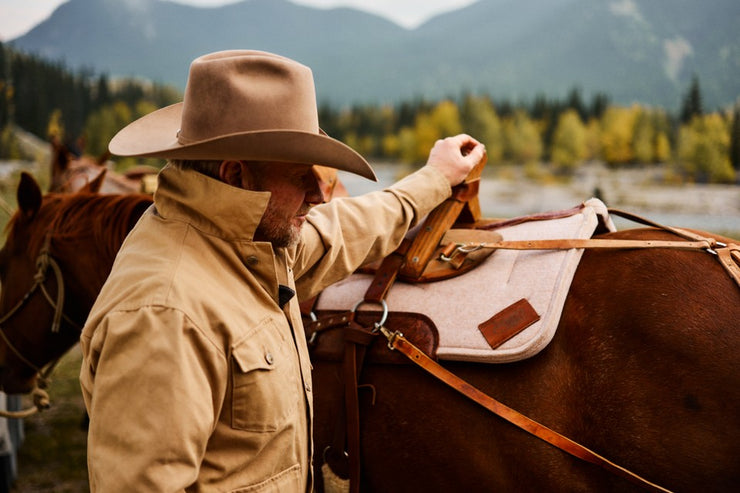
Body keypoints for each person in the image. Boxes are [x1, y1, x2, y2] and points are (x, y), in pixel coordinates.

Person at [79, 49, 484, 492]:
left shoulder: (242, 243)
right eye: (300, 176)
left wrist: (434, 178)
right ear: (235, 175)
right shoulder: (164, 315)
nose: (319, 195)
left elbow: (343, 230)